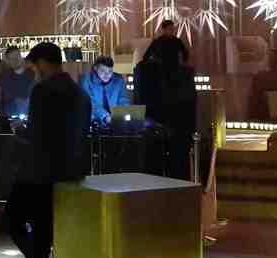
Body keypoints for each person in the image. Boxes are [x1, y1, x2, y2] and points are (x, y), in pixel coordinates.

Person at [1, 41, 91, 258]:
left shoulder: (43, 90)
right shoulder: (80, 93)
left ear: (42, 63)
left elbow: (37, 135)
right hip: (69, 173)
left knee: (13, 219)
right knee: (43, 233)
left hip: (39, 172)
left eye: (34, 64)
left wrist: (19, 130)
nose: (34, 71)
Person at [134, 36, 197, 180]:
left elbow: (140, 100)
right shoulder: (185, 73)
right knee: (179, 171)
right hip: (179, 129)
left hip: (152, 127)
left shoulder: (144, 71)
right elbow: (190, 104)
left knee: (152, 171)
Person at [80, 55, 130, 125]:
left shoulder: (119, 80)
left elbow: (124, 100)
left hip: (116, 121)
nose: (107, 74)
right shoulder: (87, 80)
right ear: (95, 68)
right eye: (102, 71)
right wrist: (105, 116)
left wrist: (121, 115)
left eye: (110, 71)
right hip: (93, 121)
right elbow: (91, 104)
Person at [0, 45, 36, 118]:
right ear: (8, 61)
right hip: (9, 117)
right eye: (12, 59)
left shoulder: (32, 74)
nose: (15, 60)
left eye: (17, 56)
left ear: (21, 57)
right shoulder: (4, 78)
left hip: (29, 116)